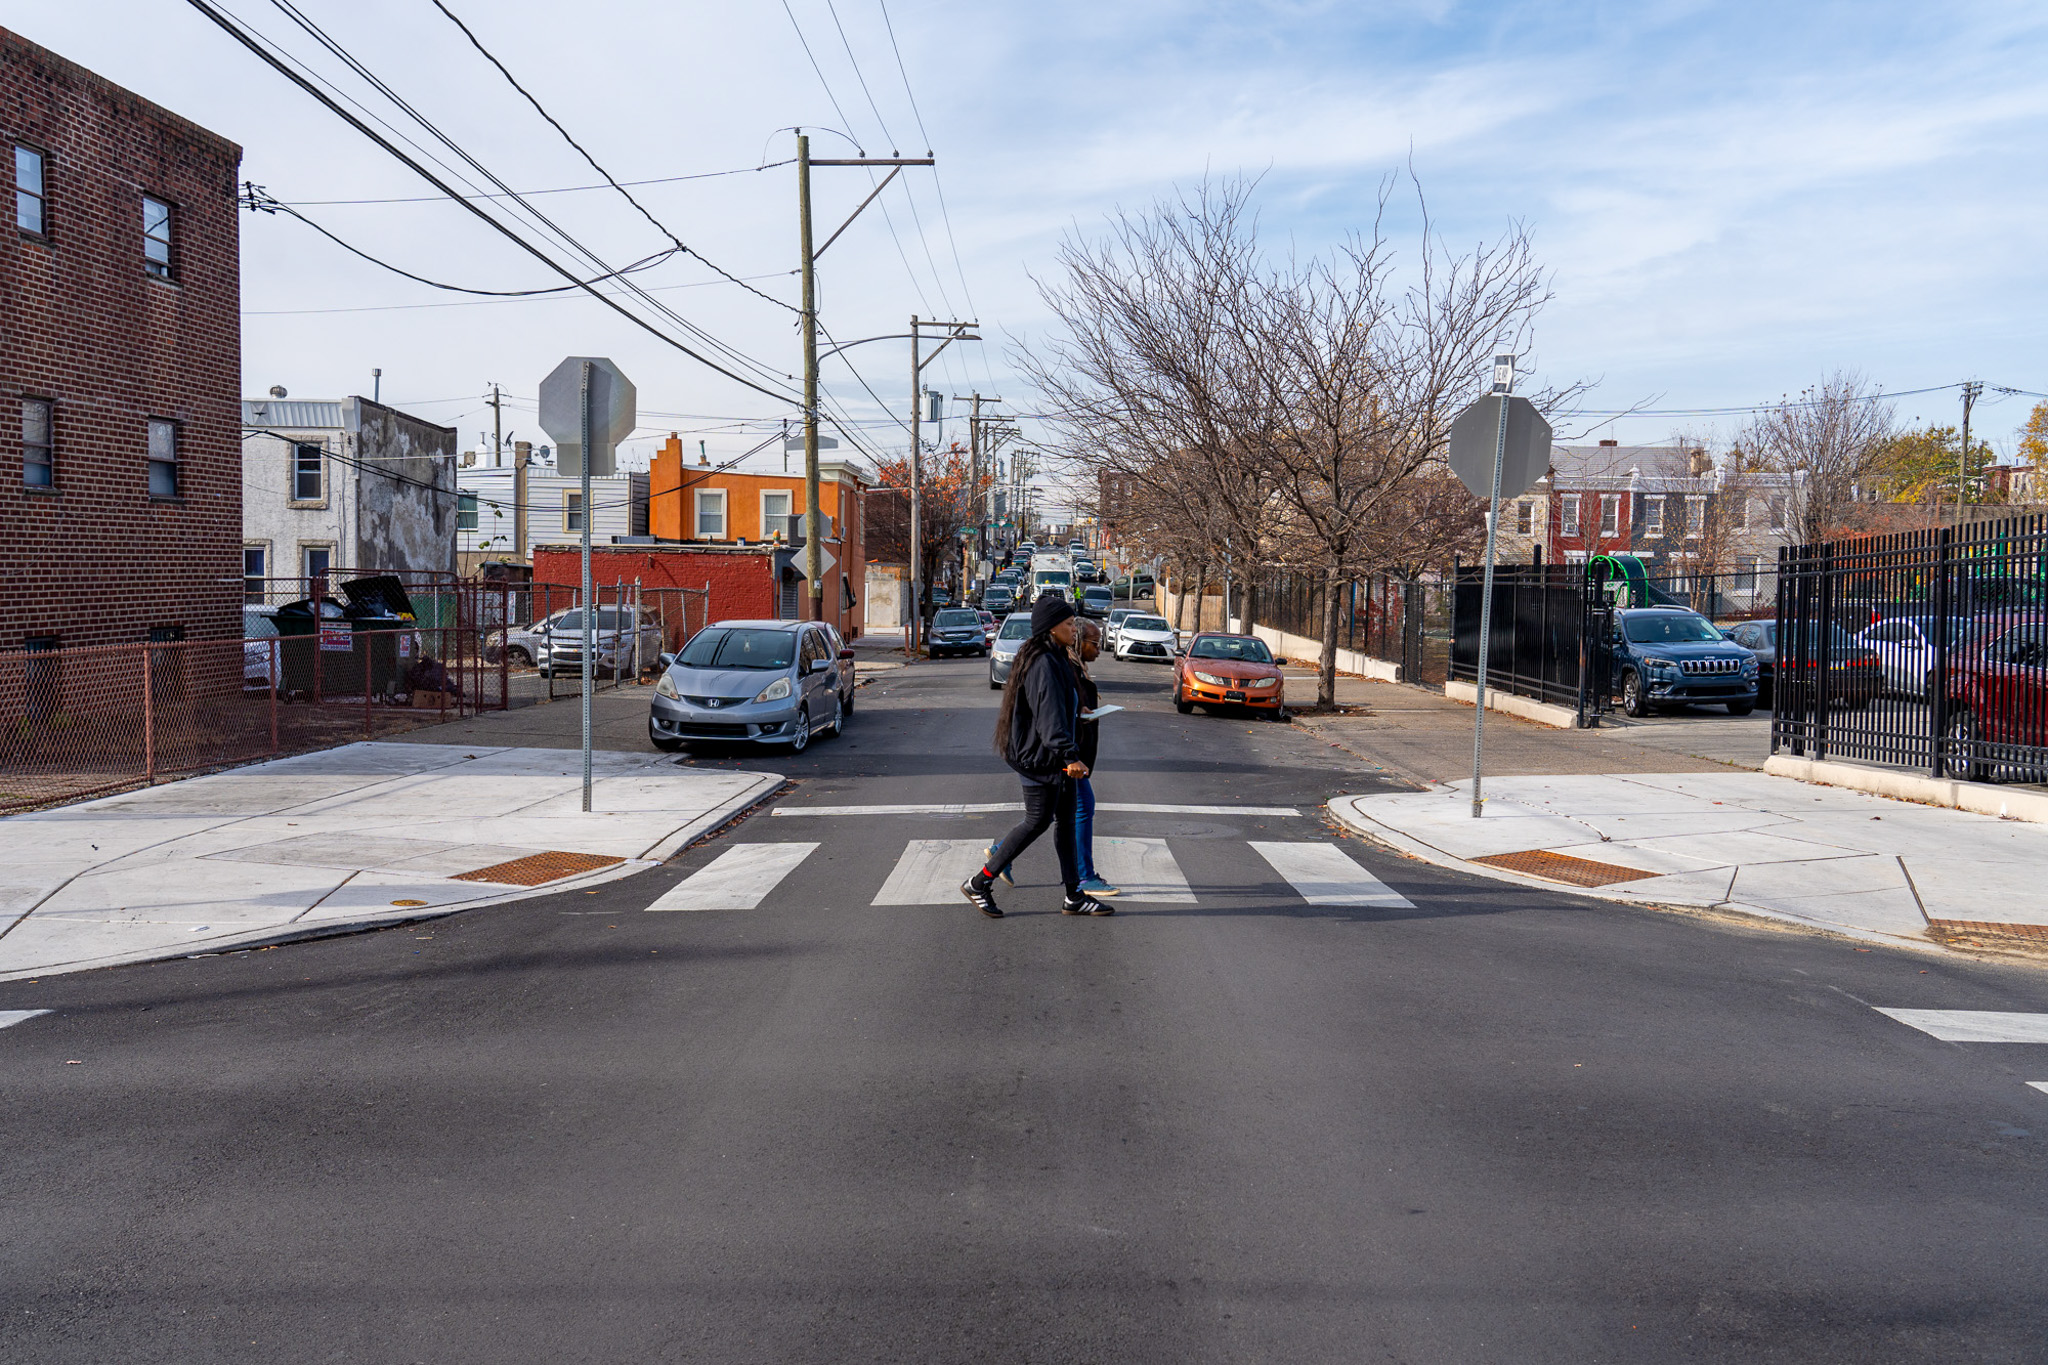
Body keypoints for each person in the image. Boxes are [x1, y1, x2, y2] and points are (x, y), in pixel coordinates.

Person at [961, 594, 1112, 918]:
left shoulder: (1056, 655)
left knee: (1065, 822)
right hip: (1039, 758)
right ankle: (979, 882)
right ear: (1052, 627)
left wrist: (1079, 710)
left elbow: (1060, 706)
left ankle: (1074, 895)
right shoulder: (1042, 662)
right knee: (1037, 820)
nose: (1074, 629)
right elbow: (1048, 719)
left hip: (1051, 754)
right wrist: (1071, 755)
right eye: (1070, 624)